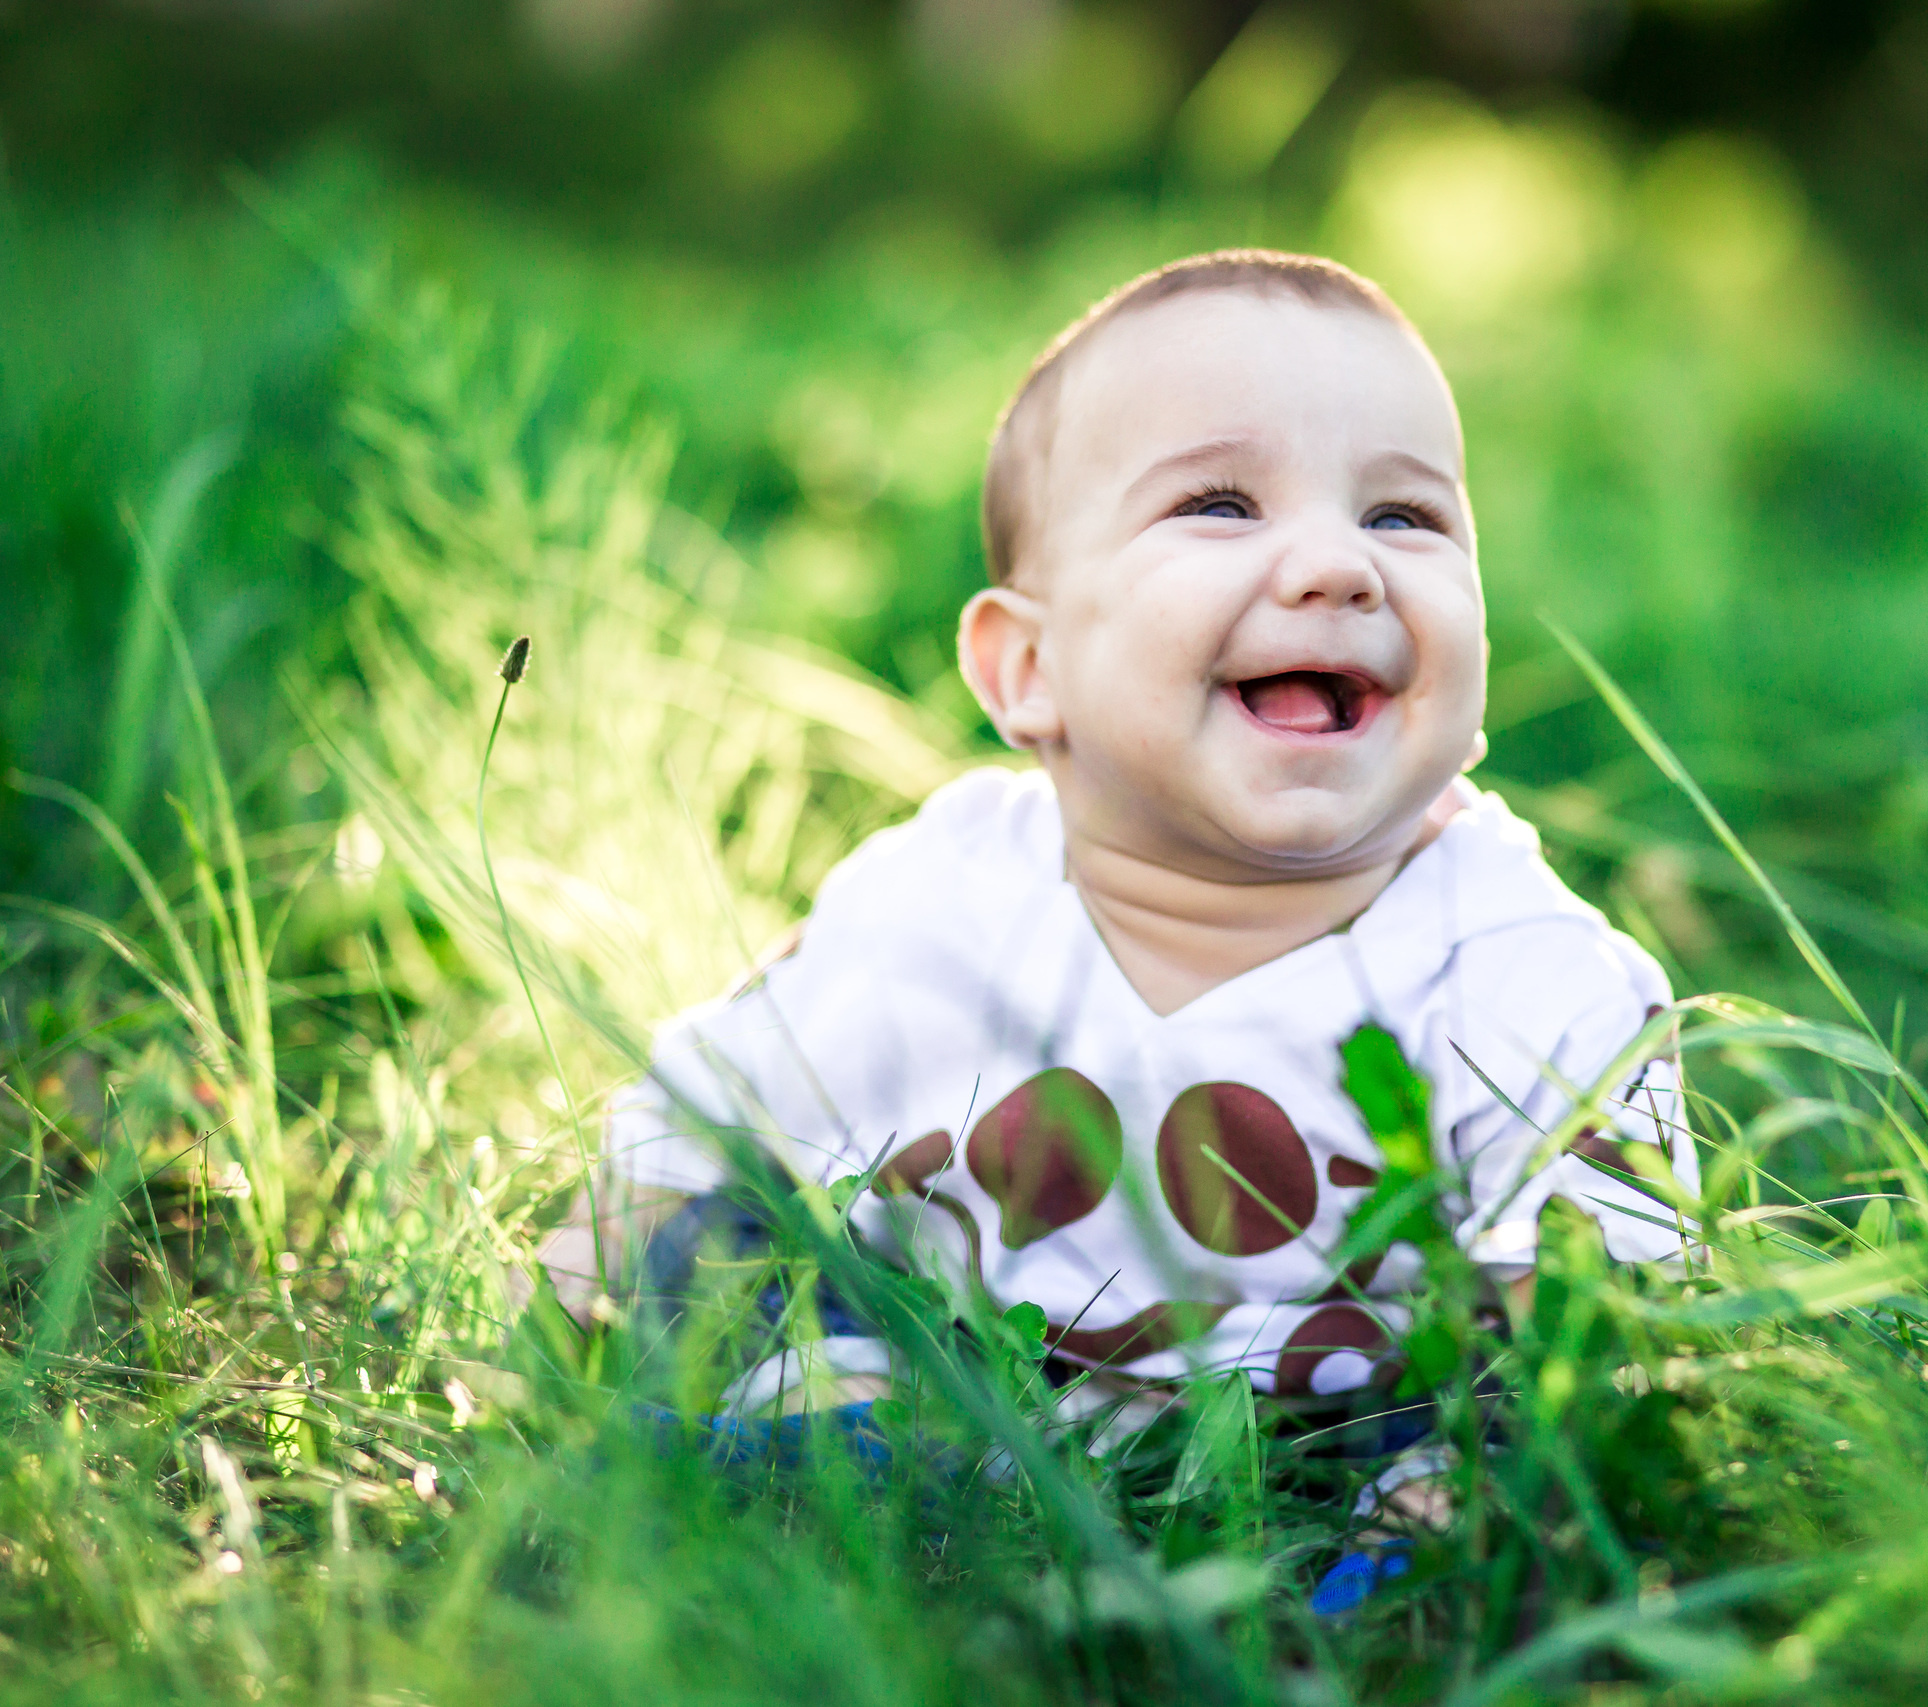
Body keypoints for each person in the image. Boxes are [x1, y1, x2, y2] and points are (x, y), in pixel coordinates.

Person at [539, 249, 1693, 1598]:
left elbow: (1606, 1317)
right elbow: (700, 1118)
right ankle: (834, 1485)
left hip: (1344, 1430)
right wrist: (563, 1290)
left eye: (1405, 517)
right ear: (1029, 668)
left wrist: (1534, 1442)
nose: (1340, 566)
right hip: (952, 1367)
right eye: (1220, 504)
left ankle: (1389, 1588)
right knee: (746, 1262)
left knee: (1506, 1444)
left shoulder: (1524, 966)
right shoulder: (937, 898)